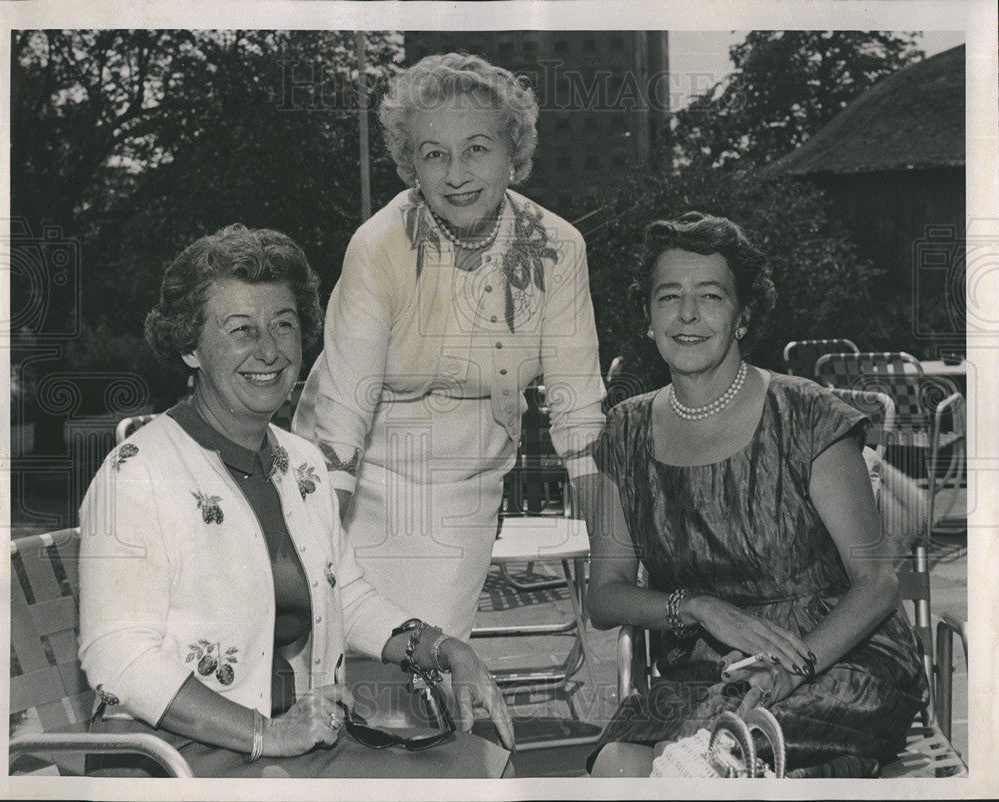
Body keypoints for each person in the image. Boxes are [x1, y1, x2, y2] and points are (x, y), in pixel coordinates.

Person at [78, 224, 514, 778]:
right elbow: (118, 658)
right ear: (190, 346)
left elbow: (344, 596)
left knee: (479, 769)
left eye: (283, 324)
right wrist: (269, 734)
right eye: (241, 330)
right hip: (172, 760)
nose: (269, 349)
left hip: (293, 741)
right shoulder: (137, 474)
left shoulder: (303, 464)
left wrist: (444, 648)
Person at [582, 213, 928, 778]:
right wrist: (695, 606)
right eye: (668, 297)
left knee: (721, 761)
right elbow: (605, 597)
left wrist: (791, 669)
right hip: (703, 670)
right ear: (648, 318)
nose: (687, 315)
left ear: (743, 317)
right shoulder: (626, 431)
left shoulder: (806, 414)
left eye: (710, 297)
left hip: (833, 658)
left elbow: (876, 581)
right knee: (616, 767)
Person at [293, 53, 605, 640]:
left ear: (514, 155)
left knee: (423, 671)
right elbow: (342, 409)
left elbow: (578, 408)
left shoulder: (561, 248)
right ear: (412, 165)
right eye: (435, 154)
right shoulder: (377, 244)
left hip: (467, 482)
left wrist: (614, 552)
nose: (456, 173)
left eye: (477, 149)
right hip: (353, 475)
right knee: (323, 652)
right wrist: (317, 552)